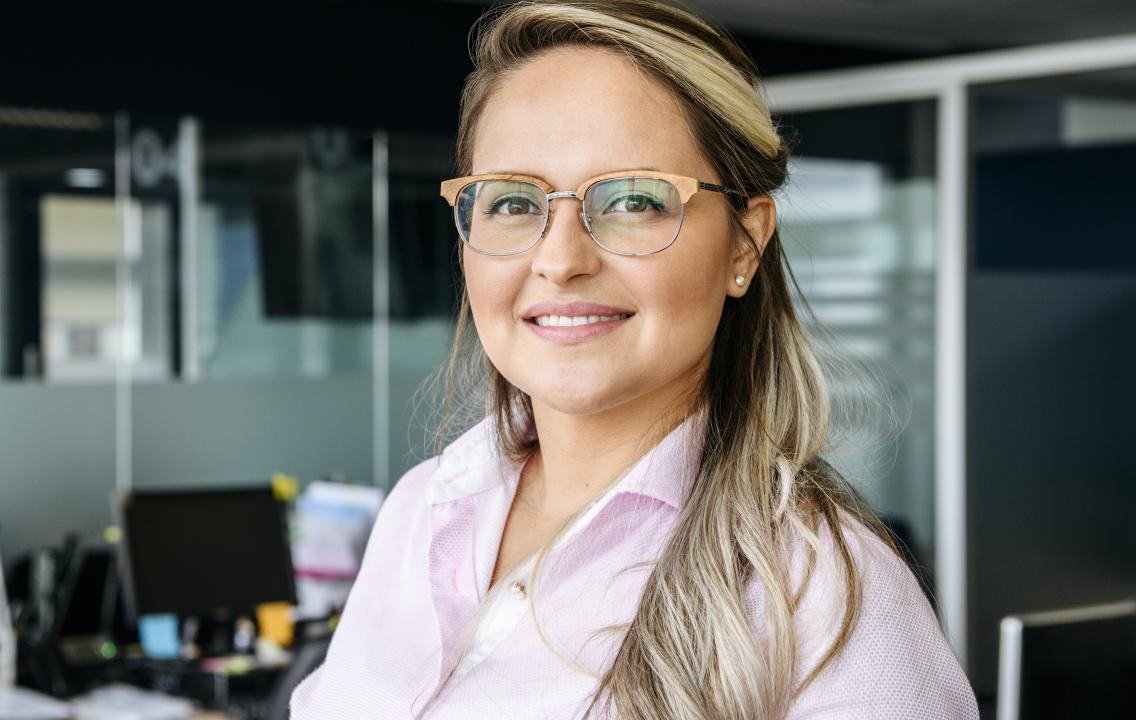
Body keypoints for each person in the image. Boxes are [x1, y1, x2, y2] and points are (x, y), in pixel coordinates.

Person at [290, 1, 979, 718]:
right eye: (513, 203)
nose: (559, 260)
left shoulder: (824, 598)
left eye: (634, 200)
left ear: (744, 245)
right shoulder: (422, 511)